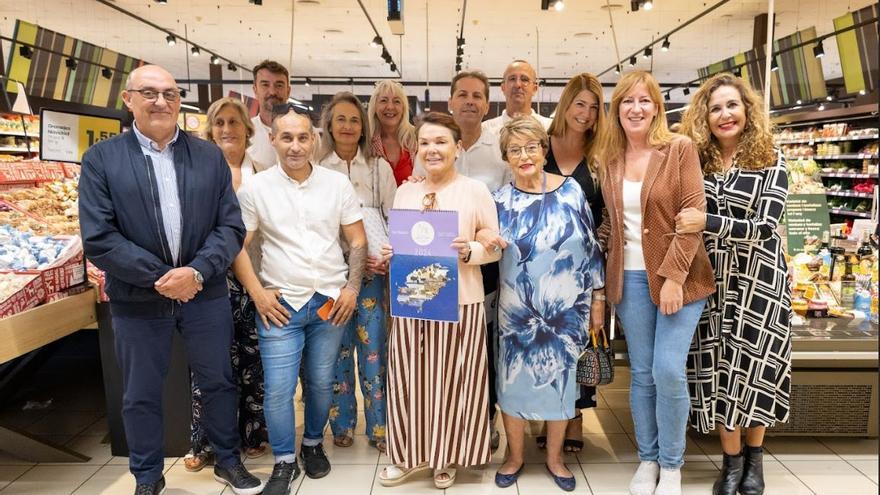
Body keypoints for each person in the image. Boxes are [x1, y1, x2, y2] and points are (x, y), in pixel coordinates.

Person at [79, 65, 263, 495]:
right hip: (138, 298)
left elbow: (230, 227)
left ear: (180, 101)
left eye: (170, 93)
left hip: (205, 292)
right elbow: (99, 237)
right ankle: (146, 476)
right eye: (149, 93)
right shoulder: (102, 160)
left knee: (218, 380)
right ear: (129, 100)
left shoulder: (207, 156)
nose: (160, 101)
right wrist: (163, 277)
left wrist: (196, 272)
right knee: (141, 392)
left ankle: (228, 460)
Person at [233, 108, 367, 494]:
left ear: (315, 140)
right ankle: (283, 461)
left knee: (322, 382)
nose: (295, 145)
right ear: (272, 140)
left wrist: (352, 288)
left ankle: (311, 444)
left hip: (329, 301)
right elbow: (237, 248)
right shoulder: (255, 190)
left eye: (303, 137)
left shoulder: (336, 185)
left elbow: (357, 240)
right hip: (280, 305)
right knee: (278, 388)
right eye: (286, 137)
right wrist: (257, 293)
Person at [595, 70, 714, 495]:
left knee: (667, 370)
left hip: (677, 279)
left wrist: (672, 279)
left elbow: (691, 217)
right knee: (643, 374)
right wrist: (593, 244)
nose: (636, 108)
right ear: (617, 110)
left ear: (657, 107)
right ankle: (647, 460)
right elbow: (613, 222)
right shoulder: (609, 159)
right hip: (626, 280)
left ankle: (673, 464)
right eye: (627, 101)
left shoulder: (679, 150)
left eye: (644, 100)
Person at [679, 73, 792, 495]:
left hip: (760, 283)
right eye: (715, 108)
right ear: (703, 117)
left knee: (756, 369)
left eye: (732, 105)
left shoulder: (771, 160)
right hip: (710, 282)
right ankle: (730, 463)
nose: (725, 115)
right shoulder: (697, 162)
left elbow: (765, 226)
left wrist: (709, 222)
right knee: (718, 372)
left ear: (747, 109)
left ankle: (754, 460)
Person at [377, 112, 501, 490]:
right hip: (412, 300)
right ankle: (406, 454)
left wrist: (472, 250)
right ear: (418, 149)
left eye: (441, 142)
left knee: (453, 383)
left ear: (457, 148)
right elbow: (406, 242)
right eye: (426, 143)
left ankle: (445, 455)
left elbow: (493, 243)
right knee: (408, 380)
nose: (432, 149)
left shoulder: (475, 191)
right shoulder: (406, 190)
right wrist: (390, 252)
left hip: (460, 301)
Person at [486, 116, 605, 492]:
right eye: (515, 150)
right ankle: (515, 456)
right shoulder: (499, 201)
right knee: (512, 384)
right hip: (517, 313)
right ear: (506, 157)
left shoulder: (572, 192)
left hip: (567, 311)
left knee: (561, 383)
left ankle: (555, 458)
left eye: (531, 147)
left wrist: (598, 297)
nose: (525, 156)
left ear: (543, 149)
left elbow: (591, 249)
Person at [411, 69, 511, 450]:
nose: (470, 101)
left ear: (487, 104)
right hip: (429, 279)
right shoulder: (419, 179)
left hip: (479, 273)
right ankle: (432, 434)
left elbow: (496, 217)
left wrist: (483, 240)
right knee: (432, 359)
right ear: (450, 101)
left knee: (476, 354)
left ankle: (479, 426)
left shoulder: (496, 149)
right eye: (462, 94)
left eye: (477, 96)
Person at [181, 97, 271, 473]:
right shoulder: (194, 172)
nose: (227, 129)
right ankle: (205, 441)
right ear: (209, 129)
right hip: (208, 280)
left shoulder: (263, 173)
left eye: (234, 122)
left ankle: (251, 433)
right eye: (219, 123)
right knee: (210, 364)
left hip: (256, 280)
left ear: (248, 131)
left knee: (253, 360)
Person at [316, 92, 397, 453]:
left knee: (374, 350)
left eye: (354, 119)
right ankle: (342, 424)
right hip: (331, 276)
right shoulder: (317, 168)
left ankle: (379, 427)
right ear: (329, 126)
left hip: (373, 273)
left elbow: (396, 219)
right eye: (341, 120)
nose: (348, 126)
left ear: (363, 126)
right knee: (337, 351)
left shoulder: (379, 167)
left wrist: (388, 257)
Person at [537, 72, 608, 453]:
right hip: (538, 269)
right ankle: (544, 414)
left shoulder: (600, 157)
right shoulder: (540, 146)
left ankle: (575, 416)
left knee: (580, 345)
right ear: (566, 105)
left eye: (594, 107)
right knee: (543, 343)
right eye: (580, 103)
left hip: (585, 271)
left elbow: (608, 215)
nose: (585, 113)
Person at [482, 60, 552, 136]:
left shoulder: (549, 129)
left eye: (524, 79)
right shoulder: (485, 130)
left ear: (534, 89)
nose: (517, 84)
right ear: (503, 88)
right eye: (512, 79)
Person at [367, 80, 417, 185]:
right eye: (384, 101)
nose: (390, 107)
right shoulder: (366, 141)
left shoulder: (416, 138)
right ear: (374, 107)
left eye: (396, 101)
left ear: (403, 108)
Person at [248, 60, 291, 167]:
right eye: (265, 85)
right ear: (255, 90)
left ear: (288, 91)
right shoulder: (245, 133)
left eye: (279, 85)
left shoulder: (307, 133)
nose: (272, 92)